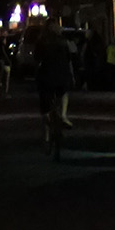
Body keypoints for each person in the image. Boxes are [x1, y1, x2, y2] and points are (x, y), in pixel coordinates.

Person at [36, 22, 76, 157]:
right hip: (61, 75)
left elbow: (36, 60)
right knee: (64, 93)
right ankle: (64, 115)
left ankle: (47, 137)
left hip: (46, 76)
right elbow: (69, 60)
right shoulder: (63, 42)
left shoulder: (41, 42)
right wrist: (72, 76)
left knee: (45, 111)